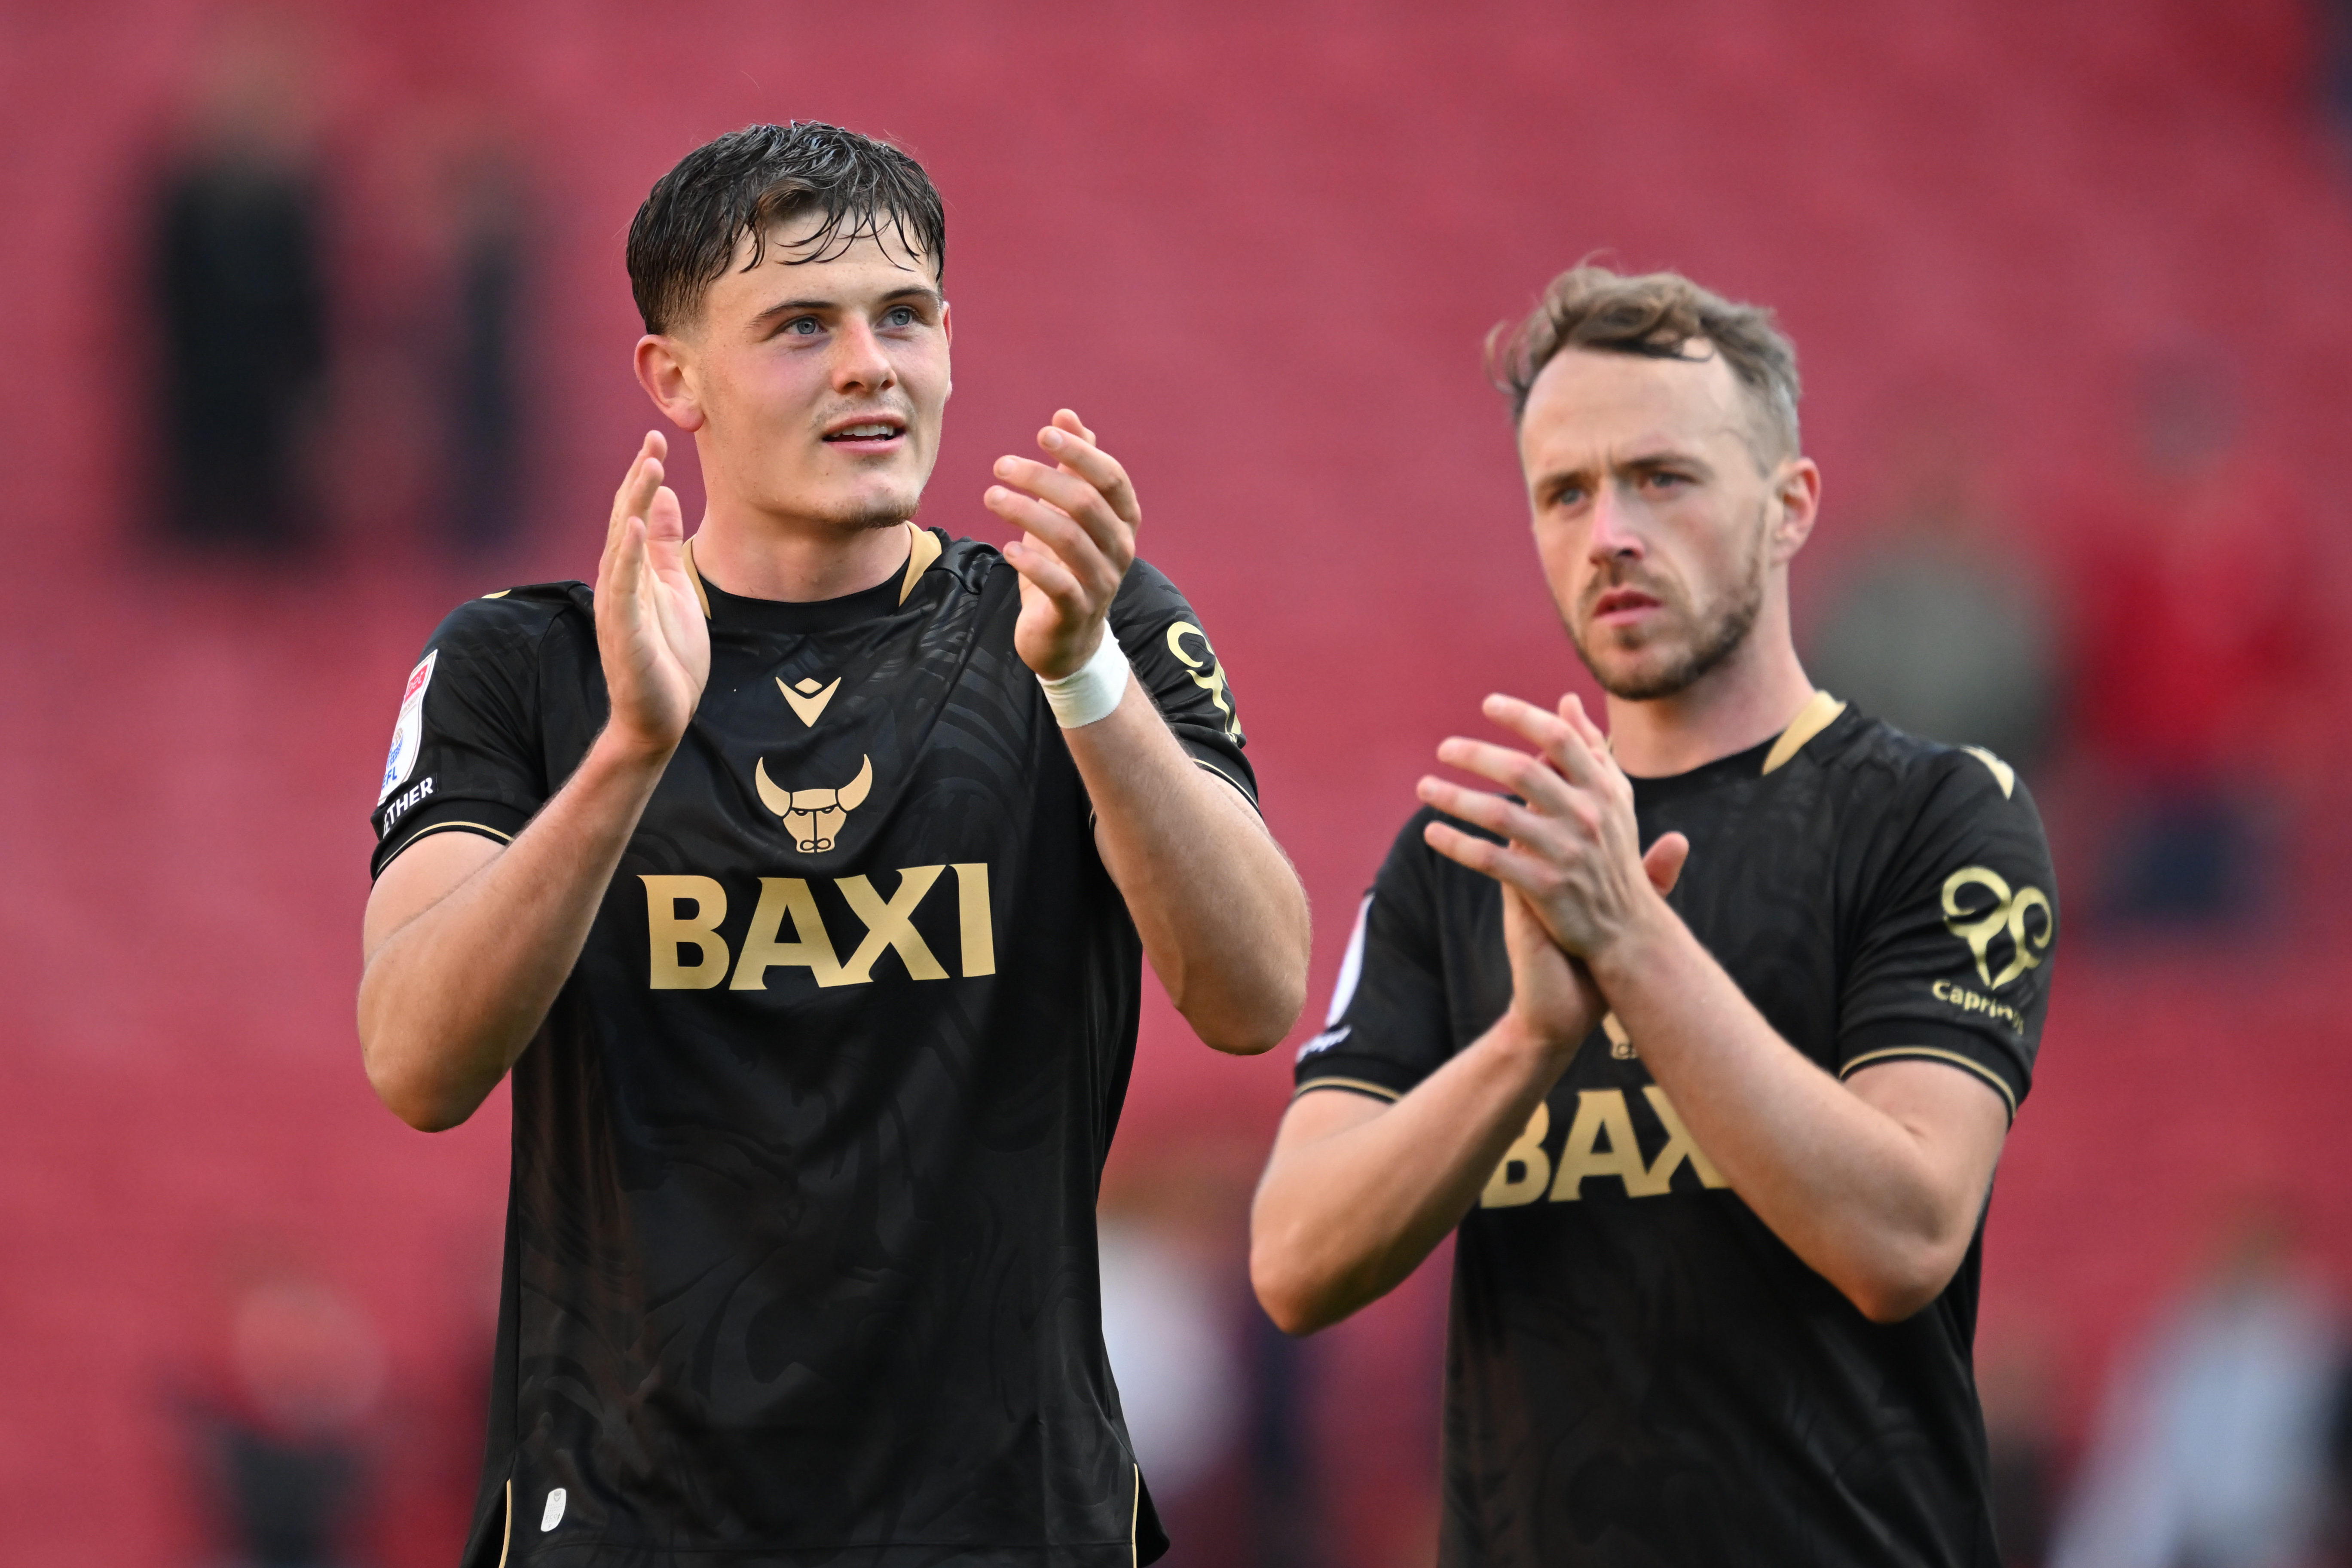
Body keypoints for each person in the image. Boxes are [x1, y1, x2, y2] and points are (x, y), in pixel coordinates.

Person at [357, 122, 1308, 1568]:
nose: (870, 364)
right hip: (629, 1524)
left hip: (1008, 1522)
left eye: (903, 316)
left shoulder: (1082, 619)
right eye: (802, 326)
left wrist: (1085, 684)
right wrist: (630, 752)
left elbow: (1254, 994)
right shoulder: (527, 663)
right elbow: (417, 1062)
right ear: (673, 377)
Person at [1250, 266, 2059, 1566]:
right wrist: (1527, 1043)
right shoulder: (1471, 856)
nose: (1609, 532)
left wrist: (1629, 941)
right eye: (1564, 492)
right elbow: (1294, 1260)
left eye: (1661, 478)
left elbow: (1904, 1235)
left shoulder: (1936, 816)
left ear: (1790, 507)